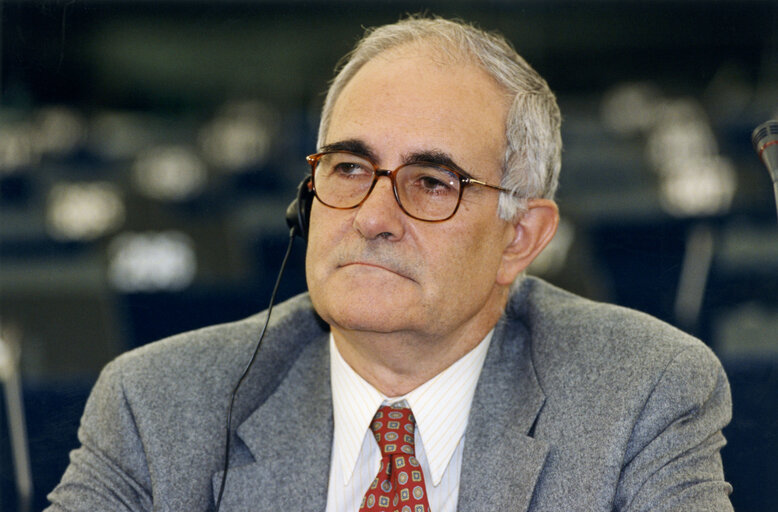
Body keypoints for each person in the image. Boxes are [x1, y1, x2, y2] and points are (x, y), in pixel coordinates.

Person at [46, 15, 733, 511]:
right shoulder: (156, 408)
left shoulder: (640, 395)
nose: (373, 218)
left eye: (431, 184)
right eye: (349, 168)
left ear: (520, 238)